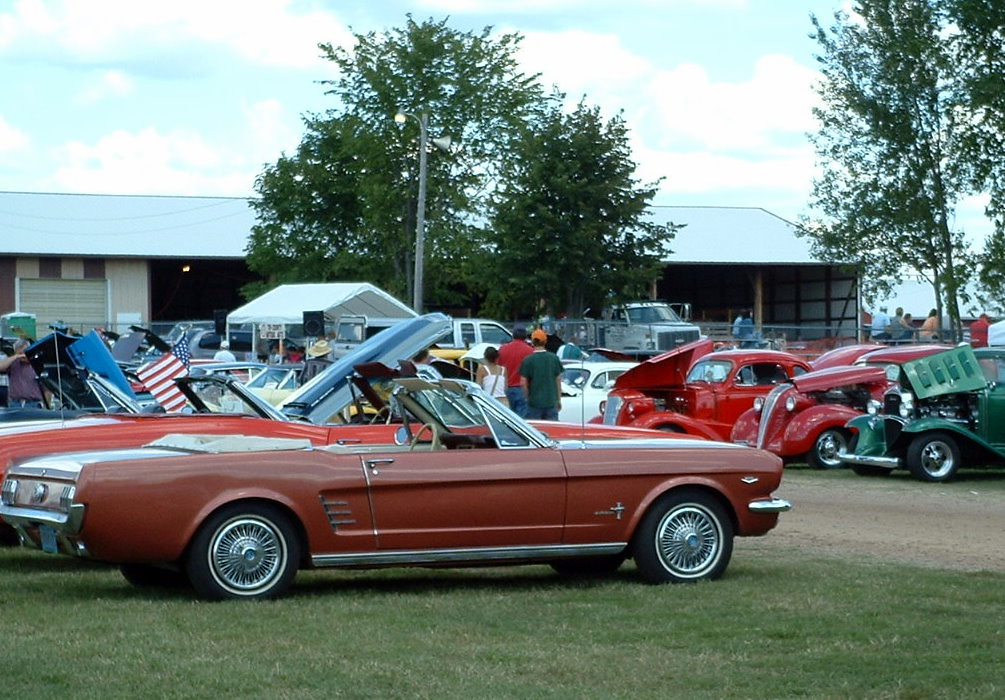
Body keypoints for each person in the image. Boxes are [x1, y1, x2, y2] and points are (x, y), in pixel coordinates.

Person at [519, 328, 564, 420]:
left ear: (532, 342)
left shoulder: (528, 360)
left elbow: (523, 382)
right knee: (552, 431)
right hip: (551, 402)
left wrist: (527, 397)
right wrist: (558, 399)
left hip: (534, 403)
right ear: (545, 341)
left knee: (535, 431)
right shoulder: (554, 358)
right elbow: (558, 379)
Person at [497, 326, 533, 417]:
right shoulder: (530, 351)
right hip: (523, 389)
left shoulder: (502, 349)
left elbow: (498, 368)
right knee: (522, 421)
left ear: (513, 336)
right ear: (525, 336)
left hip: (506, 388)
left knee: (509, 419)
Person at [0, 338, 46, 408]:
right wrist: (16, 356)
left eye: (25, 352)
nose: (23, 356)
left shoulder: (38, 365)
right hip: (15, 403)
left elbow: (47, 389)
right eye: (20, 353)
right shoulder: (13, 364)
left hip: (34, 404)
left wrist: (46, 407)